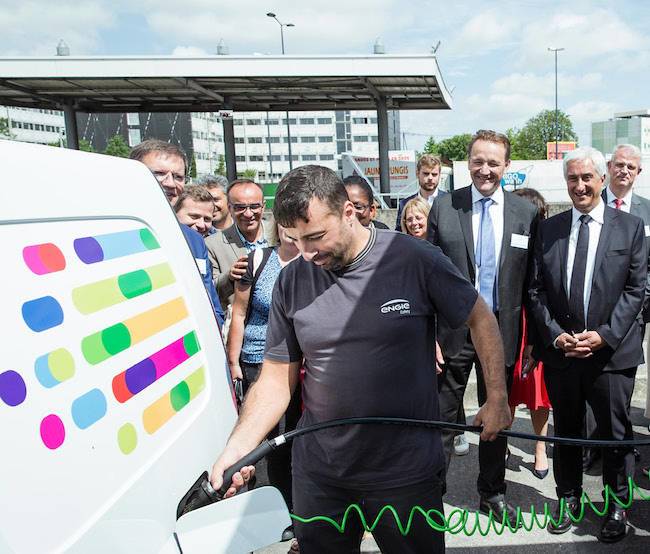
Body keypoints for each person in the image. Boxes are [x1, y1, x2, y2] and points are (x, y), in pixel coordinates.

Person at [211, 165, 511, 554]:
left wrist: (497, 397)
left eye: (315, 236)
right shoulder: (292, 279)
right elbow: (274, 380)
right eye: (295, 239)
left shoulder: (413, 258)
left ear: (348, 212)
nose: (307, 253)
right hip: (321, 475)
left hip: (405, 472)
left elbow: (480, 318)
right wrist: (239, 446)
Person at [528, 147, 646, 542]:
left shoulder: (630, 227)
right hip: (563, 354)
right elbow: (536, 290)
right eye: (572, 179)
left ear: (602, 178)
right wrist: (555, 335)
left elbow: (636, 289)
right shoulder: (549, 229)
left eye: (586, 178)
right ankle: (568, 497)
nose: (579, 186)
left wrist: (605, 335)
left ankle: (616, 505)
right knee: (567, 431)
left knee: (614, 434)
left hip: (611, 354)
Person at [427, 129, 538, 524]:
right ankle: (432, 497)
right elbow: (426, 278)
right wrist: (428, 336)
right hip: (451, 334)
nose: (485, 169)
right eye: (478, 161)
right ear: (467, 163)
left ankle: (492, 493)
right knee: (442, 419)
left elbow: (532, 283)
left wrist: (531, 340)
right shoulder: (444, 207)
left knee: (497, 416)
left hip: (501, 335)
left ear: (506, 166)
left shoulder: (526, 214)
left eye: (493, 162)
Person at [226, 221, 301, 549]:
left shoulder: (312, 262)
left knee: (286, 442)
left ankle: (288, 512)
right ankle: (257, 516)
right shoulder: (258, 260)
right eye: (285, 221)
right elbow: (239, 313)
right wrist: (233, 362)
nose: (290, 229)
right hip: (256, 361)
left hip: (296, 365)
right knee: (258, 443)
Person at [401, 195, 471, 456]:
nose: (414, 223)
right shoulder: (401, 251)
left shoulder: (442, 250)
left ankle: (457, 431)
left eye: (418, 217)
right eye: (409, 219)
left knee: (447, 392)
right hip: (416, 330)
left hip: (447, 331)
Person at [129, 139, 224, 327]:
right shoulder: (114, 231)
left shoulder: (194, 241)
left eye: (178, 177)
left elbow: (210, 302)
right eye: (158, 173)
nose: (170, 183)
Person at [508, 187, 551, 479]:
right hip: (509, 323)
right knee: (506, 387)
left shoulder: (547, 244)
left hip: (537, 324)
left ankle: (540, 448)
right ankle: (503, 441)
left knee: (538, 391)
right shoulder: (507, 241)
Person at [205, 179, 271, 313]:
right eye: (240, 207)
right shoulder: (212, 244)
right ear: (230, 208)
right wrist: (229, 277)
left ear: (263, 206)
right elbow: (209, 292)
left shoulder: (280, 236)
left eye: (254, 206)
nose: (248, 214)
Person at [394, 154, 446, 231]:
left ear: (439, 175)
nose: (430, 178)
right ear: (417, 174)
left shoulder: (449, 202)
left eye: (434, 174)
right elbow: (399, 234)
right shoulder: (404, 204)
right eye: (426, 174)